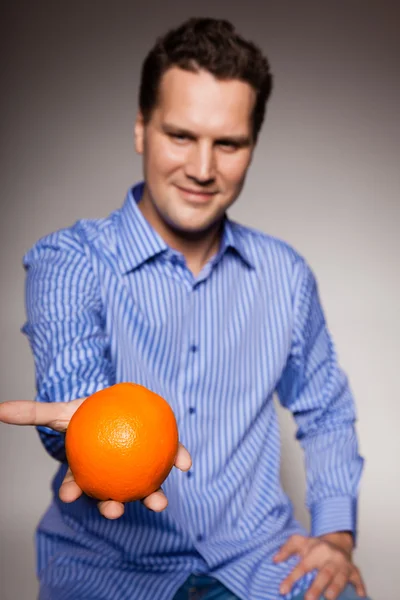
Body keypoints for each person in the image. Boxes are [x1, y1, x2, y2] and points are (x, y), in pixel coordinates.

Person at [0, 17, 371, 600]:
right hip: (108, 566)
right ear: (141, 129)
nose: (202, 169)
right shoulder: (70, 261)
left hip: (259, 556)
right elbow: (75, 384)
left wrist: (337, 536)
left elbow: (326, 410)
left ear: (252, 147)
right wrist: (88, 430)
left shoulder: (286, 275)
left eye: (228, 144)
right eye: (181, 135)